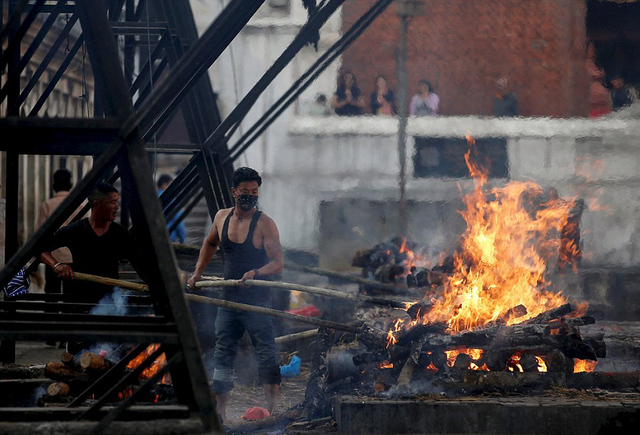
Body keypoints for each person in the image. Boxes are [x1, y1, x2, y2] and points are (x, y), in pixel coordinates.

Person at [187, 167, 284, 422]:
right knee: (223, 354)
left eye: (254, 192)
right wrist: (197, 273)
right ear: (234, 192)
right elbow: (209, 243)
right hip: (228, 301)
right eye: (245, 192)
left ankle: (272, 410)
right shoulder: (221, 218)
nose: (250, 196)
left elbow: (278, 263)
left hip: (257, 303)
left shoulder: (265, 224)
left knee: (265, 352)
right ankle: (220, 412)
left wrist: (256, 272)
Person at [40, 182, 148, 354]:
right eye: (113, 202)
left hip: (111, 307)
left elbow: (143, 268)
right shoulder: (76, 230)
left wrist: (160, 286)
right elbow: (40, 249)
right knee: (78, 359)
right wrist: (57, 265)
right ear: (97, 204)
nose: (117, 207)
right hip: (80, 307)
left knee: (110, 357)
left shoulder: (120, 235)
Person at [36, 169, 74, 297]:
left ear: (54, 186)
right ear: (71, 185)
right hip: (73, 258)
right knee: (71, 296)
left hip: (53, 259)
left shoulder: (47, 205)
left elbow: (38, 235)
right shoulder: (79, 204)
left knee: (51, 293)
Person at [157, 173, 188, 244]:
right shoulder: (169, 199)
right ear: (164, 185)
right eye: (171, 185)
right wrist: (183, 239)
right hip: (169, 236)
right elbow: (178, 220)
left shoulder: (153, 197)